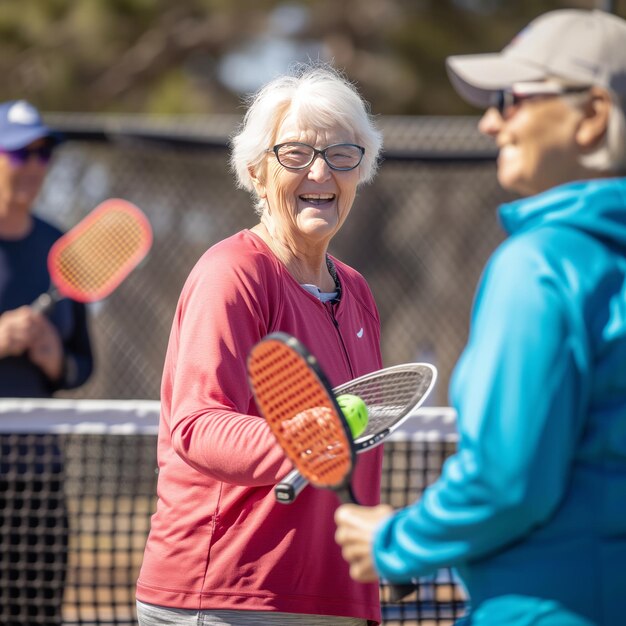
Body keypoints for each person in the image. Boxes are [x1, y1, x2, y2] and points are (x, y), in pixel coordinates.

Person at [334, 9, 626, 626]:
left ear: (593, 116)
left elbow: (505, 484)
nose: (491, 122)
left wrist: (392, 542)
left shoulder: (537, 266)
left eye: (512, 99)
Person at [136, 64, 385, 626]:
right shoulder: (232, 273)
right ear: (255, 171)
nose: (320, 171)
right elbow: (198, 426)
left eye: (342, 155)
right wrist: (312, 438)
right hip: (229, 596)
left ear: (361, 170)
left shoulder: (360, 292)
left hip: (333, 597)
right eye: (295, 154)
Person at [0, 100, 94, 624]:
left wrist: (55, 358)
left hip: (36, 482)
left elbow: (83, 365)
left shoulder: (62, 248)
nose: (35, 165)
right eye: (20, 153)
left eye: (44, 153)